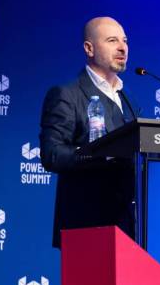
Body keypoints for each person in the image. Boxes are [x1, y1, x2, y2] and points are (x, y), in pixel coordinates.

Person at [40, 17, 140, 248]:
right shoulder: (67, 94)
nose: (122, 48)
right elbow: (52, 154)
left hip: (129, 226)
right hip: (87, 224)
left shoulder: (128, 97)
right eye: (112, 40)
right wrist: (97, 154)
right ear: (89, 48)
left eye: (125, 41)